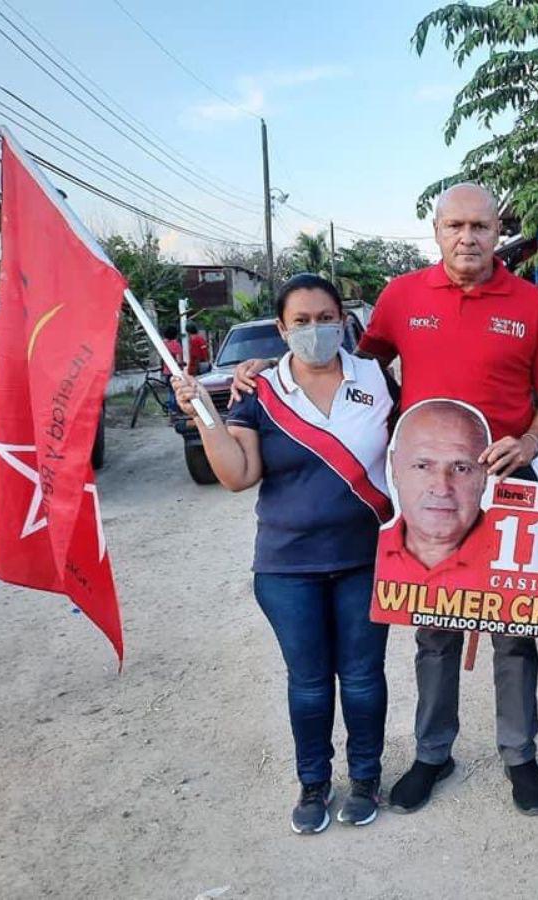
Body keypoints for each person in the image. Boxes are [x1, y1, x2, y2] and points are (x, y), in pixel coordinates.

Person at [235, 183, 538, 816]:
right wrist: (265, 372)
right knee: (434, 631)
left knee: (514, 633)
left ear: (498, 231)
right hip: (429, 494)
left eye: (480, 226)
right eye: (454, 226)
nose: (467, 238)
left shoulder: (533, 305)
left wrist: (528, 441)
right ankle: (432, 752)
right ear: (436, 232)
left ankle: (519, 755)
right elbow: (344, 365)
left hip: (508, 491)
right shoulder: (402, 296)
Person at [172, 273, 394, 835]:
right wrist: (204, 413)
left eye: (325, 318)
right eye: (301, 321)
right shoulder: (260, 391)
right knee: (311, 682)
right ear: (282, 328)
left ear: (343, 320)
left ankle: (366, 777)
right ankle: (313, 782)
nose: (315, 330)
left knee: (364, 677)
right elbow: (237, 475)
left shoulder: (377, 378)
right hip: (287, 567)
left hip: (367, 559)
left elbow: (413, 446)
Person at [378, 399, 493, 592]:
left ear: (485, 475)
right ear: (394, 467)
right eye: (423, 466)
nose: (442, 488)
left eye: (461, 468)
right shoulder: (365, 555)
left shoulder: (519, 564)